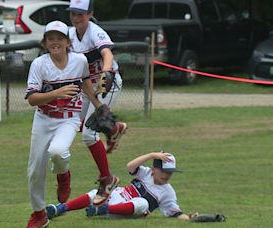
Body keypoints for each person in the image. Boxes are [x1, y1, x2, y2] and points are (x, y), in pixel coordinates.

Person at [24, 20, 109, 228]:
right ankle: (39, 215)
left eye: (59, 38)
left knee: (58, 151)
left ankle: (64, 176)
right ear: (44, 42)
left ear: (68, 42)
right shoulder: (39, 64)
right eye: (50, 38)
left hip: (70, 118)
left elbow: (86, 82)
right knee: (35, 169)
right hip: (43, 118)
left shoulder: (79, 61)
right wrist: (56, 93)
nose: (55, 42)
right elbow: (32, 99)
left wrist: (98, 105)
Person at [65, 0, 126, 207]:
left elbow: (107, 53)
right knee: (75, 122)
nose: (75, 17)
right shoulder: (70, 34)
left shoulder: (94, 31)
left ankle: (107, 179)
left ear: (90, 14)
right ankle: (114, 128)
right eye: (73, 12)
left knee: (89, 135)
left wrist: (107, 71)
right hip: (87, 87)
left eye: (80, 13)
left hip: (105, 85)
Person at [45, 151, 199, 221]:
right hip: (119, 196)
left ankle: (101, 210)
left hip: (126, 211)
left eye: (170, 172)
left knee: (143, 203)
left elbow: (175, 213)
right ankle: (61, 209)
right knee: (97, 192)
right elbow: (130, 166)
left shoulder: (168, 192)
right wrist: (152, 155)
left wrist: (189, 219)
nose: (167, 175)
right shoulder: (145, 173)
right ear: (153, 169)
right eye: (163, 170)